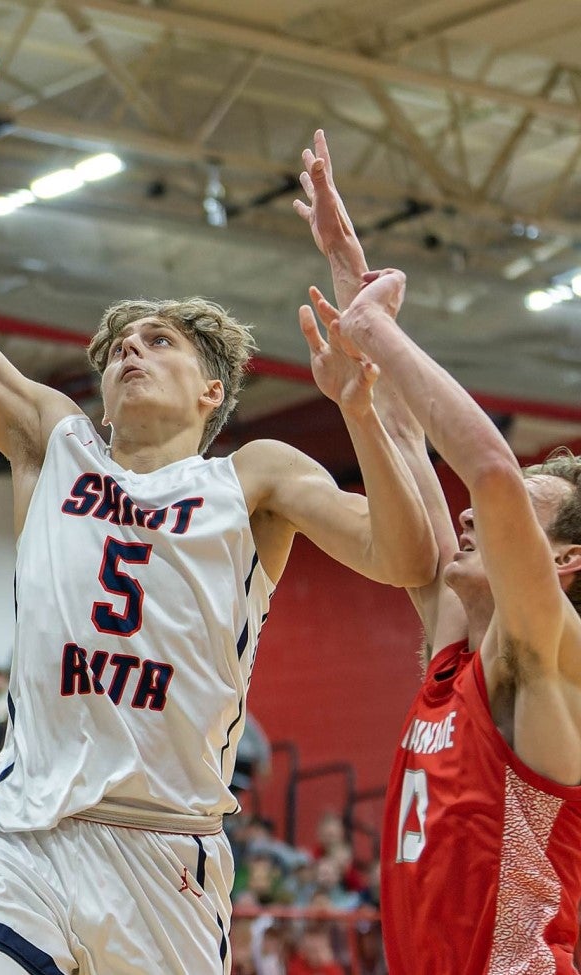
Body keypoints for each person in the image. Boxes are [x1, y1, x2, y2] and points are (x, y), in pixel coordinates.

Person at [0, 141, 436, 975]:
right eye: (120, 345)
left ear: (213, 392)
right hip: (28, 840)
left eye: (158, 340)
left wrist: (358, 404)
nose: (130, 349)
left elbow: (407, 553)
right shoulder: (51, 442)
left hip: (167, 856)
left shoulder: (255, 477)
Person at [295, 130, 581, 974]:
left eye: (519, 518)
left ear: (563, 562)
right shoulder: (460, 650)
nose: (469, 518)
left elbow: (487, 468)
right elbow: (413, 443)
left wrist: (378, 328)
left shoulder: (549, 654)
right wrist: (353, 279)